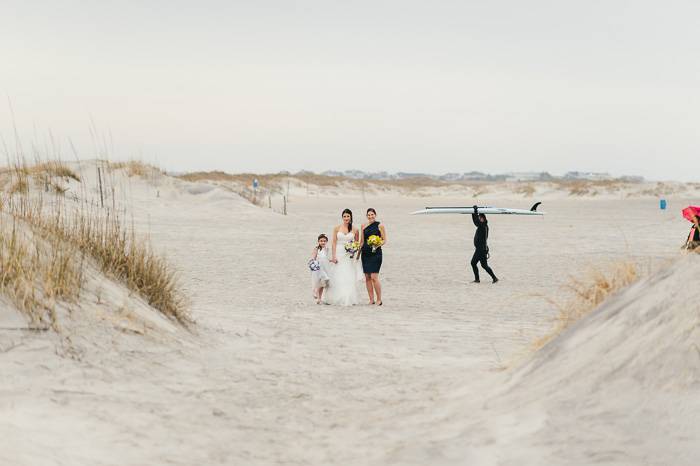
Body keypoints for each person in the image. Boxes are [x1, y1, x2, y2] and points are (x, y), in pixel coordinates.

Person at [323, 209, 363, 306]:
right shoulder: (337, 227)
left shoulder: (355, 230)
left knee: (348, 273)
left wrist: (353, 251)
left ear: (350, 217)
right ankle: (336, 295)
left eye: (348, 216)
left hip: (349, 254)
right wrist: (334, 255)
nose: (346, 218)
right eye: (344, 216)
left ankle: (347, 295)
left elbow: (356, 244)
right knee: (338, 272)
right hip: (339, 252)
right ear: (342, 217)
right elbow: (333, 242)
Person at [358, 208, 387, 305]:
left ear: (375, 215)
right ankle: (371, 299)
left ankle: (379, 299)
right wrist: (358, 253)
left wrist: (377, 244)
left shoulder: (380, 225)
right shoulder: (363, 225)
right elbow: (361, 241)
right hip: (365, 253)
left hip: (375, 254)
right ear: (366, 216)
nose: (370, 216)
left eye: (372, 214)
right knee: (367, 277)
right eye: (368, 215)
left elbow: (384, 240)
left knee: (374, 277)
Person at [470, 205, 498, 284]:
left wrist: (474, 210)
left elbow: (476, 221)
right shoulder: (484, 225)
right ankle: (490, 278)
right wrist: (474, 212)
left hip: (481, 249)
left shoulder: (483, 226)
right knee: (479, 264)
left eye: (479, 218)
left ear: (482, 219)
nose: (478, 219)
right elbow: (476, 221)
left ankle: (493, 278)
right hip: (481, 249)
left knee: (479, 264)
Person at [311, 234, 331, 304]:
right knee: (324, 278)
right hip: (319, 266)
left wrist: (332, 260)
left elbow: (326, 258)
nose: (323, 242)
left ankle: (319, 299)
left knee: (323, 283)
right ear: (318, 241)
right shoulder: (316, 249)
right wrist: (314, 265)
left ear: (327, 241)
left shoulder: (326, 249)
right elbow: (314, 258)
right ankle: (316, 290)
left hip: (325, 266)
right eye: (321, 241)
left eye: (324, 241)